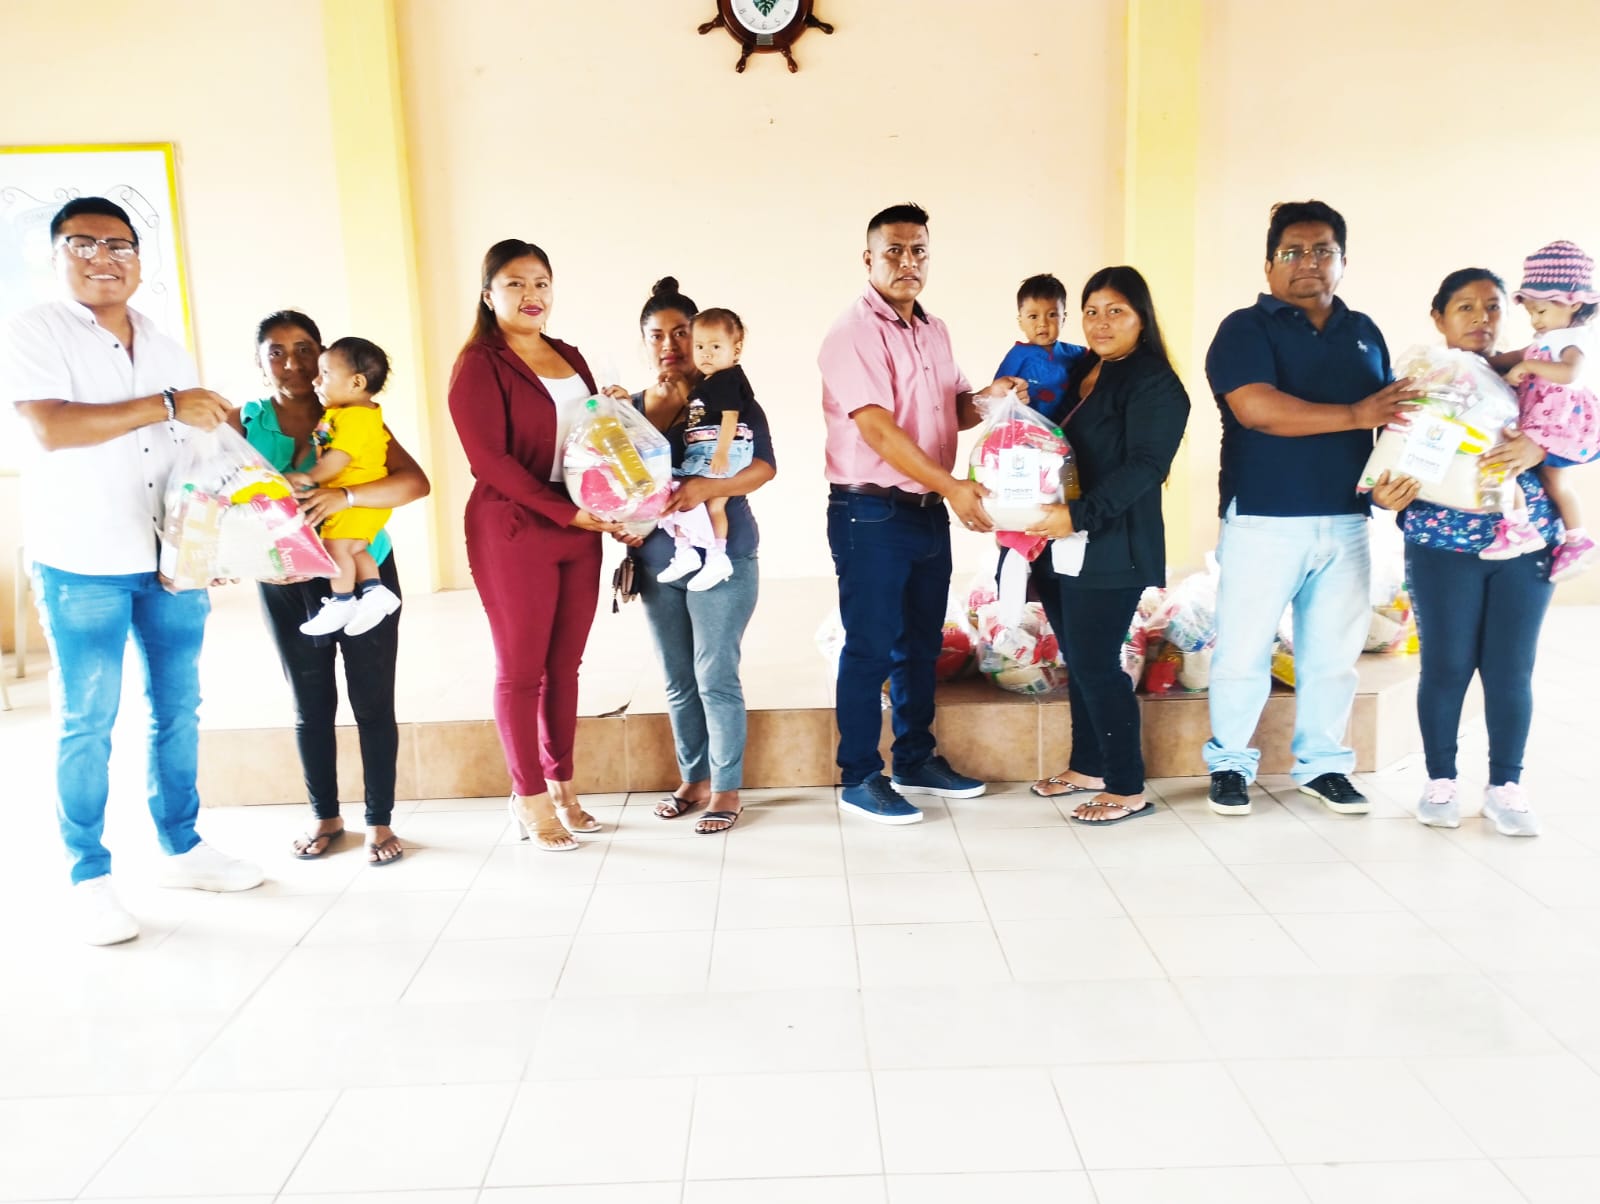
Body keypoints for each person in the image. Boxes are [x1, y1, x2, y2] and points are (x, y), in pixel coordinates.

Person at [1, 197, 263, 945]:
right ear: (55, 257)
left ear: (139, 260)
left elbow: (189, 455)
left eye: (119, 244)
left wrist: (210, 543)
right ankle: (88, 876)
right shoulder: (34, 331)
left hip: (167, 562)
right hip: (81, 558)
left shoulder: (164, 344)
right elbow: (53, 427)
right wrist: (168, 403)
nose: (103, 257)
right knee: (87, 720)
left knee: (178, 708)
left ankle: (182, 847)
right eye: (82, 243)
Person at [1203, 199, 1422, 817]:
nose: (1308, 262)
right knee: (1243, 651)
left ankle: (1323, 766)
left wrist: (1393, 480)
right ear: (1269, 264)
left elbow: (1393, 424)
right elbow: (1257, 408)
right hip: (1264, 517)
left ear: (1342, 260)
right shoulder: (1245, 329)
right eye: (1293, 251)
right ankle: (1229, 764)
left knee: (1332, 657)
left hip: (1347, 520)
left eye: (1323, 250)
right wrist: (1357, 414)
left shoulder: (1364, 330)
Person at [818, 202, 1024, 825]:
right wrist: (955, 486)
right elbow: (878, 430)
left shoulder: (934, 330)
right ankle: (860, 775)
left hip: (928, 510)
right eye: (895, 251)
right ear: (869, 259)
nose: (908, 262)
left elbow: (953, 408)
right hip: (871, 512)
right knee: (870, 647)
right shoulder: (852, 333)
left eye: (919, 251)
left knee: (920, 645)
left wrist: (992, 399)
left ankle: (914, 758)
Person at [235, 310, 430, 867]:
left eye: (304, 350)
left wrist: (345, 497)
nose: (292, 363)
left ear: (323, 356)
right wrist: (251, 559)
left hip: (364, 574)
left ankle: (379, 820)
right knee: (310, 703)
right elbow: (222, 495)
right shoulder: (244, 423)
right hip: (284, 581)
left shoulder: (353, 414)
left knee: (373, 700)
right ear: (260, 363)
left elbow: (414, 482)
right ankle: (324, 815)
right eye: (276, 352)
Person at [1370, 269, 1556, 837]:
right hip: (1440, 541)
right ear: (1439, 317)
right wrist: (1381, 495)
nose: (1481, 318)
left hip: (1522, 540)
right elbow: (1384, 461)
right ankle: (1440, 782)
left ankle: (1506, 787)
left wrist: (1540, 447)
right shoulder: (1419, 382)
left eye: (1493, 307)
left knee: (1510, 668)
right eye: (1466, 307)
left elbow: (1583, 437)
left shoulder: (1536, 375)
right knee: (1447, 665)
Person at [448, 238, 617, 852]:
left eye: (541, 282)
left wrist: (616, 424)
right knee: (521, 671)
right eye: (515, 283)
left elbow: (592, 438)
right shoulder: (479, 364)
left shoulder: (569, 355)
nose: (531, 295)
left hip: (579, 526)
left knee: (564, 668)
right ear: (488, 294)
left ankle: (563, 785)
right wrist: (566, 512)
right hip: (514, 527)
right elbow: (489, 460)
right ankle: (529, 798)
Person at [1023, 267, 1190, 824]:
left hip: (1112, 544)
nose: (1101, 322)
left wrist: (1077, 515)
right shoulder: (1083, 371)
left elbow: (1146, 466)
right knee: (1080, 659)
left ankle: (1125, 785)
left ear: (1142, 317)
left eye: (1116, 310)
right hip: (1060, 541)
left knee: (1096, 662)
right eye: (1091, 311)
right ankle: (1087, 766)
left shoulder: (1155, 383)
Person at [614, 279, 777, 834]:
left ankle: (726, 787)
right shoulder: (632, 408)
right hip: (659, 560)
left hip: (725, 555)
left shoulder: (728, 394)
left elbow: (763, 467)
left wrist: (709, 488)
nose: (670, 344)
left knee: (715, 674)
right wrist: (624, 522)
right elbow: (615, 481)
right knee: (677, 677)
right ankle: (694, 779)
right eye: (656, 335)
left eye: (681, 333)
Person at [1481, 240, 1598, 580]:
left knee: (1504, 463)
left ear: (1574, 302)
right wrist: (1478, 361)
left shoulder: (1575, 340)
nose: (1535, 320)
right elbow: (1515, 355)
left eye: (1541, 311)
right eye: (1531, 312)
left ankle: (1519, 526)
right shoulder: (1550, 338)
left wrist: (1528, 366)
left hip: (1557, 421)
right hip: (1547, 418)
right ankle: (1576, 538)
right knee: (1552, 479)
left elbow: (1570, 373)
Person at [289, 336, 402, 636]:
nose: (315, 381)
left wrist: (310, 477)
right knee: (353, 549)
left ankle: (342, 601)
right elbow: (324, 444)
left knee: (334, 547)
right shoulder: (343, 413)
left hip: (358, 498)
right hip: (360, 503)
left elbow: (339, 457)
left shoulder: (356, 418)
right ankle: (375, 592)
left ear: (357, 383)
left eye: (325, 374)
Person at [654, 307, 759, 592]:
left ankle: (705, 554)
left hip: (720, 449)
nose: (706, 354)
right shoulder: (710, 382)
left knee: (692, 496)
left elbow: (730, 417)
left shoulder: (727, 379)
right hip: (710, 447)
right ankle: (697, 553)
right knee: (699, 500)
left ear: (736, 350)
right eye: (699, 347)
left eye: (715, 347)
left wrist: (722, 452)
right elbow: (695, 407)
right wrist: (679, 384)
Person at [994, 273, 1088, 425]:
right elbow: (998, 396)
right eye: (1033, 316)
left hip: (1063, 431)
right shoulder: (1017, 355)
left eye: (1052, 315)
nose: (1043, 323)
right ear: (1020, 322)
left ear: (1063, 319)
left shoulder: (1075, 354)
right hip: (1025, 431)